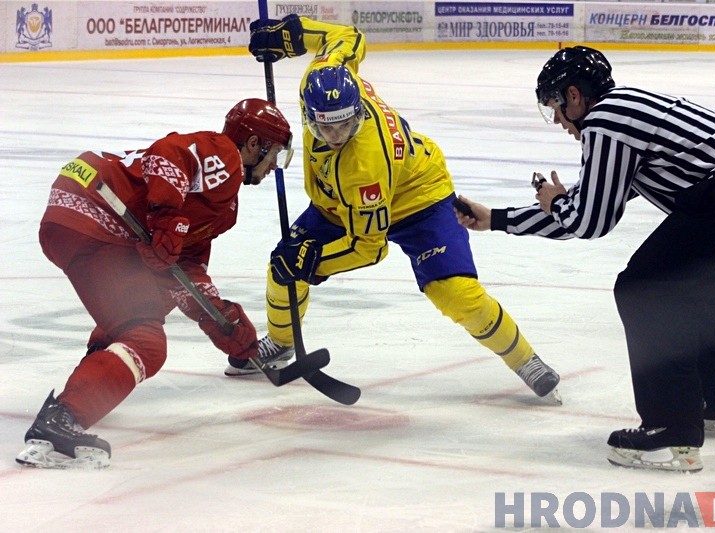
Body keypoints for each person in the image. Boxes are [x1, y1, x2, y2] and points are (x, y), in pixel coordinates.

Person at [455, 46, 715, 472]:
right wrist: (497, 220)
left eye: (555, 109)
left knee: (644, 291)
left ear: (575, 96)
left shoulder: (607, 121)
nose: (560, 123)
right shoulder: (629, 113)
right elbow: (587, 209)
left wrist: (557, 201)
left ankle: (671, 431)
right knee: (704, 295)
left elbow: (586, 221)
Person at [234, 15, 561, 403]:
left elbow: (369, 247)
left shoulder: (365, 163)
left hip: (416, 198)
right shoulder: (326, 73)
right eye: (327, 128)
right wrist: (291, 35)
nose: (336, 137)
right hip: (339, 202)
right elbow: (348, 36)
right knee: (282, 266)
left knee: (455, 293)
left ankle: (525, 359)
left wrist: (314, 262)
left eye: (345, 125)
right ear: (308, 113)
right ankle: (282, 341)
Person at [16, 99, 293, 469]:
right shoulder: (224, 155)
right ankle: (62, 418)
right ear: (254, 144)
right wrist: (166, 218)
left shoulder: (225, 208)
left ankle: (100, 367)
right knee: (146, 340)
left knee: (151, 301)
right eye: (273, 152)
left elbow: (184, 267)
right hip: (96, 210)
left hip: (83, 215)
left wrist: (220, 318)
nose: (275, 164)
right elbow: (168, 155)